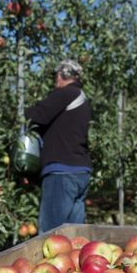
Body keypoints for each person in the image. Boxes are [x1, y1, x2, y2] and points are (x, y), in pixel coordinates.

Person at [25, 59, 93, 233]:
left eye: (56, 76)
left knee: (51, 234)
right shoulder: (82, 98)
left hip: (62, 172)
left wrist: (20, 115)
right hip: (80, 171)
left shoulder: (65, 93)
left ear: (61, 75)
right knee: (75, 235)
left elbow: (37, 115)